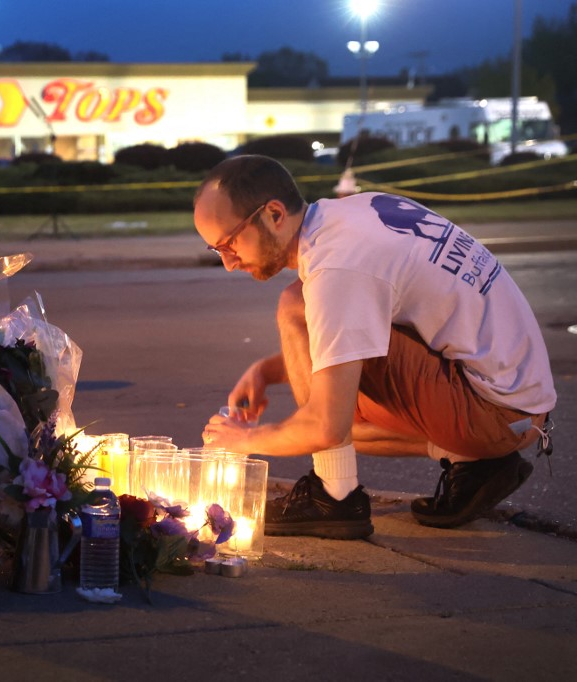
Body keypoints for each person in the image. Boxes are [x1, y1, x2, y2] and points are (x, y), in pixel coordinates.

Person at [197, 155, 555, 539]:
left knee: (299, 317)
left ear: (274, 213)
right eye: (218, 252)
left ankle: (333, 496)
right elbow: (355, 337)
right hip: (515, 405)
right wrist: (268, 371)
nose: (230, 263)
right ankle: (475, 460)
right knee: (328, 378)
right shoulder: (355, 212)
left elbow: (326, 426)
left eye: (229, 243)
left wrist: (244, 440)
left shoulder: (338, 267)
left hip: (498, 413)